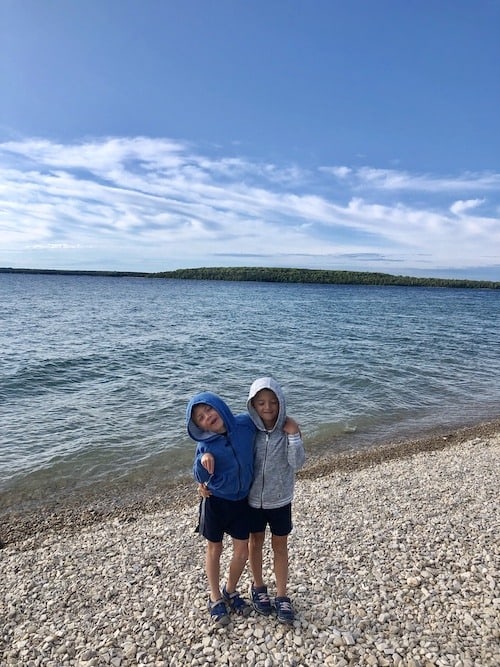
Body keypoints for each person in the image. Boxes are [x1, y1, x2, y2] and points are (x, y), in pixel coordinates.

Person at [187, 391, 256, 626]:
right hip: (215, 501)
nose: (207, 417)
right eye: (200, 418)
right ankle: (214, 596)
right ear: (198, 426)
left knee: (242, 551)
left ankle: (230, 590)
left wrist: (287, 424)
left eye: (209, 410)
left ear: (220, 407)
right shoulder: (205, 444)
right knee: (214, 548)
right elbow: (198, 474)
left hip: (241, 501)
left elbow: (268, 426)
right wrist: (202, 462)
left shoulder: (245, 425)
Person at [246, 376, 305, 624]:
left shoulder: (288, 429)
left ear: (281, 403)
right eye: (260, 402)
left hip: (280, 499)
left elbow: (298, 463)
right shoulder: (249, 431)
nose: (267, 407)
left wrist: (294, 436)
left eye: (272, 402)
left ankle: (282, 595)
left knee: (280, 546)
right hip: (251, 501)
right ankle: (258, 587)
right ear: (253, 405)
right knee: (255, 542)